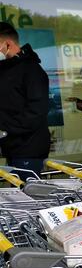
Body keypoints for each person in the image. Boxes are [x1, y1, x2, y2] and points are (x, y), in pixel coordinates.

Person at [0, 22, 50, 178]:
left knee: (28, 197)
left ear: (7, 43)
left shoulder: (32, 70)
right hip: (11, 147)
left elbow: (36, 112)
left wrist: (5, 130)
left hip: (29, 149)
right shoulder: (5, 69)